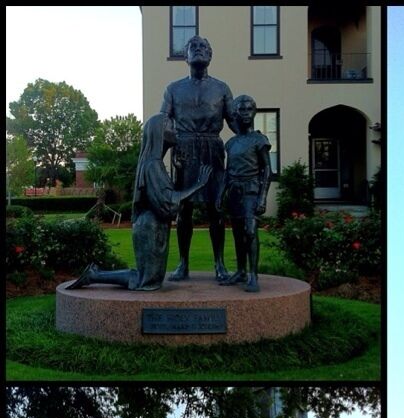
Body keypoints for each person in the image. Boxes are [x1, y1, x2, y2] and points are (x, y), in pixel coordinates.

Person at [67, 115, 210, 291]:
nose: (176, 130)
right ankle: (93, 276)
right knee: (147, 281)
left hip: (154, 227)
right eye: (171, 127)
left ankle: (94, 275)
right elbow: (169, 202)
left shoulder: (153, 163)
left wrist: (179, 172)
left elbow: (169, 194)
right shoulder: (152, 165)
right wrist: (198, 185)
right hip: (150, 228)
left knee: (149, 280)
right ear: (159, 133)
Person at [160, 35, 235, 282]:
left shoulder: (222, 88)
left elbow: (234, 121)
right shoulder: (173, 89)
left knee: (216, 208)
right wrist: (159, 153)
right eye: (194, 47)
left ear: (211, 56)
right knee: (185, 208)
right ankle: (182, 263)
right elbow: (164, 121)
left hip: (212, 148)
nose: (199, 50)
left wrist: (250, 135)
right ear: (186, 56)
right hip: (184, 149)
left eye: (204, 47)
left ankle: (219, 264)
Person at [220, 94, 272, 292]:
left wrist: (262, 197)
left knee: (250, 232)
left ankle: (253, 275)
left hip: (251, 191)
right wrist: (220, 194)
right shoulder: (231, 143)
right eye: (241, 110)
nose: (245, 114)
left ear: (254, 112)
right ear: (235, 113)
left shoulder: (259, 140)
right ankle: (241, 271)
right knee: (237, 233)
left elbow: (267, 170)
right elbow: (227, 171)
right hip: (234, 192)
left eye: (249, 109)